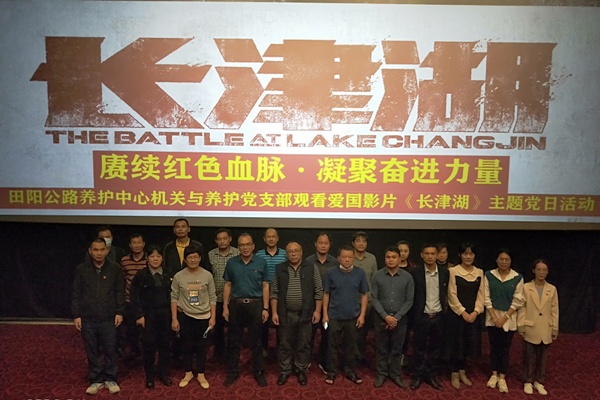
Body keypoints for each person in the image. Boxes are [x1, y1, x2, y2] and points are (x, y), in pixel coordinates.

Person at [72, 238, 125, 395]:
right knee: (92, 350)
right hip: (88, 318)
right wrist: (76, 314)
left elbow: (119, 292)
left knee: (110, 349)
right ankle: (96, 379)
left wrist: (120, 312)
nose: (99, 253)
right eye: (95, 250)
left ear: (107, 251)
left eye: (102, 249)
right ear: (90, 251)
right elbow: (76, 292)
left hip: (109, 317)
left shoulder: (115, 268)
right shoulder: (81, 269)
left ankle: (110, 378)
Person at [271, 241, 323, 386]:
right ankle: (285, 370)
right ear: (286, 254)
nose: (293, 254)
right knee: (284, 344)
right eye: (290, 251)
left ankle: (301, 370)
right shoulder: (280, 268)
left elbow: (319, 290)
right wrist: (274, 312)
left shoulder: (311, 267)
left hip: (305, 313)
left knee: (303, 344)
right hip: (285, 313)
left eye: (296, 251)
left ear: (301, 252)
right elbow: (274, 292)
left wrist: (317, 311)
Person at [222, 233, 270, 387]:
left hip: (256, 305)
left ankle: (258, 372)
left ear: (253, 246)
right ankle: (233, 372)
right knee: (234, 341)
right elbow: (228, 284)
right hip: (236, 305)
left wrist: (266, 307)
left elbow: (265, 285)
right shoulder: (232, 263)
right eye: (242, 245)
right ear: (238, 247)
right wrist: (225, 306)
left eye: (248, 244)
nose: (245, 247)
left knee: (257, 342)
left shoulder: (261, 262)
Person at [171, 245, 216, 389]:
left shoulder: (207, 275)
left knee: (202, 347)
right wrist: (174, 319)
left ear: (200, 258)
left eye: (196, 257)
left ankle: (201, 374)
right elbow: (174, 298)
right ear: (185, 259)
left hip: (204, 317)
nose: (193, 260)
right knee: (187, 346)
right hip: (185, 316)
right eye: (190, 257)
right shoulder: (179, 276)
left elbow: (212, 297)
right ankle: (188, 372)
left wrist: (213, 317)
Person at [322, 245, 369, 385]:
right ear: (338, 258)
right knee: (332, 345)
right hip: (334, 316)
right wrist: (325, 314)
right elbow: (326, 294)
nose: (347, 259)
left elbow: (365, 294)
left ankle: (350, 371)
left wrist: (362, 315)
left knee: (351, 346)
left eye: (350, 257)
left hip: (353, 316)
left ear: (353, 258)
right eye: (344, 257)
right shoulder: (330, 273)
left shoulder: (360, 273)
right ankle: (331, 372)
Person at [130, 245, 174, 389]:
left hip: (165, 315)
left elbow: (174, 294)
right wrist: (139, 315)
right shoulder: (141, 275)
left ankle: (163, 373)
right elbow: (134, 296)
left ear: (162, 258)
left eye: (158, 256)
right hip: (148, 315)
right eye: (152, 256)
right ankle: (149, 375)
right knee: (149, 346)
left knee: (165, 345)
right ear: (147, 258)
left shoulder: (168, 273)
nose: (155, 259)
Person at [370, 246, 414, 389]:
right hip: (381, 318)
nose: (391, 260)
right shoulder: (377, 275)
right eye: (388, 257)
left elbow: (409, 300)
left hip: (400, 320)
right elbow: (374, 297)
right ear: (385, 259)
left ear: (400, 259)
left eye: (394, 257)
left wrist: (396, 317)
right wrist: (385, 316)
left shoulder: (407, 277)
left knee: (397, 349)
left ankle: (395, 374)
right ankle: (381, 374)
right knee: (381, 349)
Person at [484, 248, 524, 393]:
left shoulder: (517, 277)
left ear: (511, 261)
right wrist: (495, 317)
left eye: (507, 259)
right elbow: (486, 297)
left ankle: (502, 377)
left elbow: (518, 300)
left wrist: (504, 318)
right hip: (492, 317)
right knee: (494, 346)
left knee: (505, 348)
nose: (504, 262)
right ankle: (494, 374)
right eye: (501, 259)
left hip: (508, 318)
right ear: (496, 260)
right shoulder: (489, 275)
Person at [410, 243, 449, 390]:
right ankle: (417, 375)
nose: (430, 256)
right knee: (419, 348)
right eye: (427, 254)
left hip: (438, 316)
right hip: (421, 316)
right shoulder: (415, 272)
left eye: (433, 254)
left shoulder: (445, 272)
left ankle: (431, 375)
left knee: (435, 348)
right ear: (422, 255)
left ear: (437, 255)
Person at [518, 259, 559, 396]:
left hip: (546, 327)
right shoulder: (526, 287)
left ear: (547, 272)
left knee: (543, 357)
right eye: (539, 269)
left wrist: (555, 328)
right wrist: (521, 325)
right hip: (530, 326)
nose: (541, 272)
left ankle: (539, 381)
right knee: (528, 356)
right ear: (533, 271)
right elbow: (522, 308)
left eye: (544, 270)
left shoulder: (552, 289)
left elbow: (554, 310)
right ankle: (528, 380)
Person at [447, 242, 484, 389]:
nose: (468, 257)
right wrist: (462, 312)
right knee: (456, 343)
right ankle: (454, 373)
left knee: (468, 343)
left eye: (471, 254)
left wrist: (475, 311)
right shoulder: (453, 271)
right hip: (457, 315)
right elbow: (451, 294)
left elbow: (481, 294)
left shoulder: (479, 272)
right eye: (465, 253)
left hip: (473, 315)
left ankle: (463, 371)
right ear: (460, 255)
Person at [305, 232, 337, 373]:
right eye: (320, 243)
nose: (323, 245)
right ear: (315, 244)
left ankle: (323, 361)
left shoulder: (335, 263)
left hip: (329, 308)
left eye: (326, 243)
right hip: (311, 306)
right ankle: (306, 360)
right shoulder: (308, 262)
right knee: (308, 335)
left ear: (330, 245)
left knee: (327, 335)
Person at [207, 228, 239, 363]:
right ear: (216, 241)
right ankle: (219, 354)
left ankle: (232, 355)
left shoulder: (237, 253)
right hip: (216, 297)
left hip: (234, 297)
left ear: (230, 239)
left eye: (224, 238)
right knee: (218, 328)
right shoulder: (210, 255)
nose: (222, 241)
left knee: (233, 328)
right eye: (219, 239)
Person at [255, 228, 287, 356]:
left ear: (277, 238)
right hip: (263, 294)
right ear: (264, 239)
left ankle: (281, 351)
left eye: (274, 236)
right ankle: (263, 350)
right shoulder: (258, 255)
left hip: (281, 294)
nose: (271, 239)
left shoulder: (285, 254)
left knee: (281, 324)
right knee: (262, 324)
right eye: (268, 237)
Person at [119, 233, 147, 362]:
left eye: (139, 242)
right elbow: (123, 280)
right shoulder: (124, 260)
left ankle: (146, 355)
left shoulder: (149, 259)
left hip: (145, 302)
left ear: (143, 244)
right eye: (134, 243)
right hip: (129, 301)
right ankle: (134, 353)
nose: (137, 245)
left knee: (146, 332)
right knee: (131, 331)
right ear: (130, 245)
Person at [351, 231, 377, 365]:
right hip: (352, 301)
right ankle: (351, 358)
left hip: (368, 302)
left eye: (364, 241)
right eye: (358, 240)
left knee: (363, 332)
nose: (361, 243)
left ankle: (360, 356)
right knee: (351, 332)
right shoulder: (348, 257)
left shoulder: (371, 258)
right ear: (353, 243)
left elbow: (374, 280)